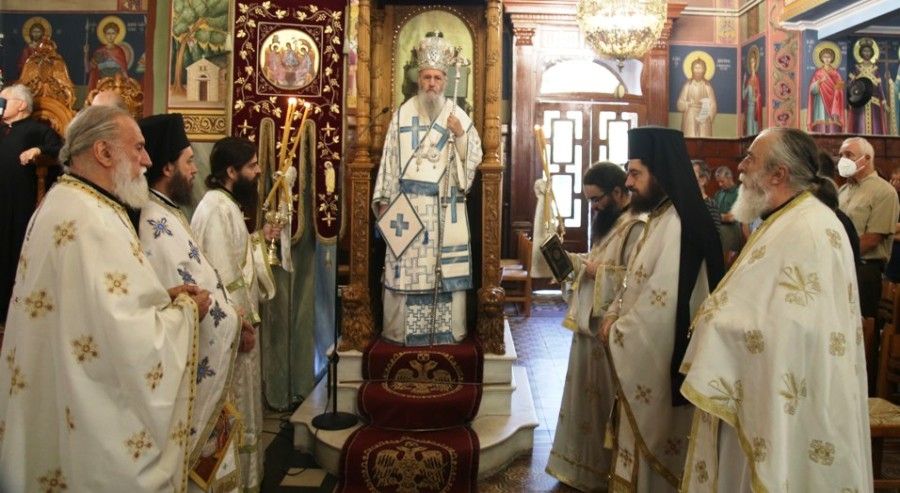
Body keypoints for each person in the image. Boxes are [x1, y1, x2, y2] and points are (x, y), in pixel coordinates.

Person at [0, 104, 212, 490]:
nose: (147, 160)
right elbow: (128, 337)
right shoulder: (91, 219)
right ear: (103, 152)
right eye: (138, 148)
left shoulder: (69, 201)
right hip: (91, 416)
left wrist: (163, 298)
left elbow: (88, 308)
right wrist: (184, 310)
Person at [680, 127, 871, 492]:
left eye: (750, 158)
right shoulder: (784, 219)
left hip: (793, 396)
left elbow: (797, 327)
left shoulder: (810, 228)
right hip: (763, 386)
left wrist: (717, 324)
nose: (740, 167)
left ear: (778, 174)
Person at [600, 126, 724, 491]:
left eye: (635, 173)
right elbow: (635, 281)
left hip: (663, 357)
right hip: (645, 346)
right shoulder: (659, 216)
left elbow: (664, 303)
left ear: (660, 173)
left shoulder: (680, 223)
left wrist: (619, 331)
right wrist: (613, 311)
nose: (628, 182)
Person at [137, 114, 245, 490]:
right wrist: (232, 320)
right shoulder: (153, 222)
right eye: (188, 161)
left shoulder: (168, 211)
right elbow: (183, 291)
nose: (196, 169)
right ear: (168, 167)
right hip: (190, 357)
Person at [372, 32, 483, 346]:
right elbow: (390, 160)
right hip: (407, 208)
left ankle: (444, 331)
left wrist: (460, 136)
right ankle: (400, 331)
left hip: (443, 208)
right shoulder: (401, 115)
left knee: (443, 274)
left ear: (445, 80)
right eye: (426, 77)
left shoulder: (457, 116)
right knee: (405, 272)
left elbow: (474, 158)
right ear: (418, 79)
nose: (432, 84)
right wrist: (384, 200)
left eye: (437, 78)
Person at [546, 163, 645, 492]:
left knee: (600, 404)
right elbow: (602, 260)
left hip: (607, 330)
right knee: (582, 402)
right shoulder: (614, 223)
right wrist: (574, 262)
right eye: (588, 200)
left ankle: (599, 472)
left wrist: (593, 271)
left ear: (618, 192)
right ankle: (578, 466)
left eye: (597, 199)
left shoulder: (636, 226)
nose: (593, 207)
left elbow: (635, 280)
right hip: (588, 327)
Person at [191, 136, 278, 492]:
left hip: (238, 325)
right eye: (252, 166)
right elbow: (223, 275)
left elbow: (238, 259)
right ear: (231, 171)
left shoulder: (224, 205)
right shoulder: (216, 208)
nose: (257, 172)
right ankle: (234, 482)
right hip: (231, 330)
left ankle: (247, 476)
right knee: (233, 401)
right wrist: (242, 321)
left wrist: (260, 238)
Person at [0, 84, 62, 327]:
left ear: (21, 105)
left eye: (4, 100)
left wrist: (38, 149)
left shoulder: (37, 130)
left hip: (20, 203)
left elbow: (61, 150)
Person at [837, 136, 899, 318]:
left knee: (862, 324)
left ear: (866, 158)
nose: (843, 160)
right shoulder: (843, 191)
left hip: (864, 270)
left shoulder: (884, 191)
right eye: (841, 155)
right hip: (842, 265)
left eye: (849, 154)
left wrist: (840, 255)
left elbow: (872, 239)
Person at [848, 38, 888, 135]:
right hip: (860, 102)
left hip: (874, 102)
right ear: (861, 52)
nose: (867, 53)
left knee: (876, 127)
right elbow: (850, 84)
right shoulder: (857, 69)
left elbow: (880, 87)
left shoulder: (875, 69)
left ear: (872, 53)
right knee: (860, 126)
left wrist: (884, 101)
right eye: (865, 51)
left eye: (869, 51)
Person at [807, 46, 845, 133]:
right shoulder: (818, 73)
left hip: (834, 101)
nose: (827, 59)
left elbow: (840, 87)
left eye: (829, 57)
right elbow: (812, 90)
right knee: (821, 119)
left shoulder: (836, 73)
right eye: (825, 57)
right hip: (820, 101)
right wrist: (820, 81)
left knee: (832, 125)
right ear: (821, 58)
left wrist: (837, 90)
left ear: (832, 59)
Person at [677, 57, 717, 138]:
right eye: (696, 68)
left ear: (704, 70)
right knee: (690, 137)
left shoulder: (707, 86)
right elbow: (680, 104)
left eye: (700, 68)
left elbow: (713, 104)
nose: (698, 71)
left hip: (704, 114)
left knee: (704, 138)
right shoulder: (687, 85)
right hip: (690, 114)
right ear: (692, 70)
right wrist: (687, 104)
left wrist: (709, 117)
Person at [88, 20, 130, 93]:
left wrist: (127, 83)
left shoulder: (119, 51)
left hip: (116, 86)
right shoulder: (99, 52)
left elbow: (123, 71)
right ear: (105, 34)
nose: (110, 36)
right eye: (108, 33)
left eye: (113, 33)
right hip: (102, 86)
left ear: (117, 34)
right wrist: (86, 55)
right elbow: (90, 69)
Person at [713, 166, 742, 256]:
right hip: (717, 233)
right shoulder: (718, 194)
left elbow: (731, 218)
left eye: (722, 181)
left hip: (732, 232)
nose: (720, 184)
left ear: (729, 178)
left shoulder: (739, 193)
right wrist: (723, 216)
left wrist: (716, 216)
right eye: (718, 182)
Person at [692, 159, 721, 231]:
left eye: (691, 174)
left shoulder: (710, 205)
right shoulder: (686, 203)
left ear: (703, 180)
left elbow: (713, 234)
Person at [742, 48, 762, 136]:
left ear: (756, 63)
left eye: (753, 62)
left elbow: (759, 95)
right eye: (750, 62)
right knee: (749, 130)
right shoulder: (748, 79)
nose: (751, 64)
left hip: (755, 108)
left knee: (755, 130)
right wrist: (743, 82)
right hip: (749, 108)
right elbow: (743, 96)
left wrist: (756, 99)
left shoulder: (757, 79)